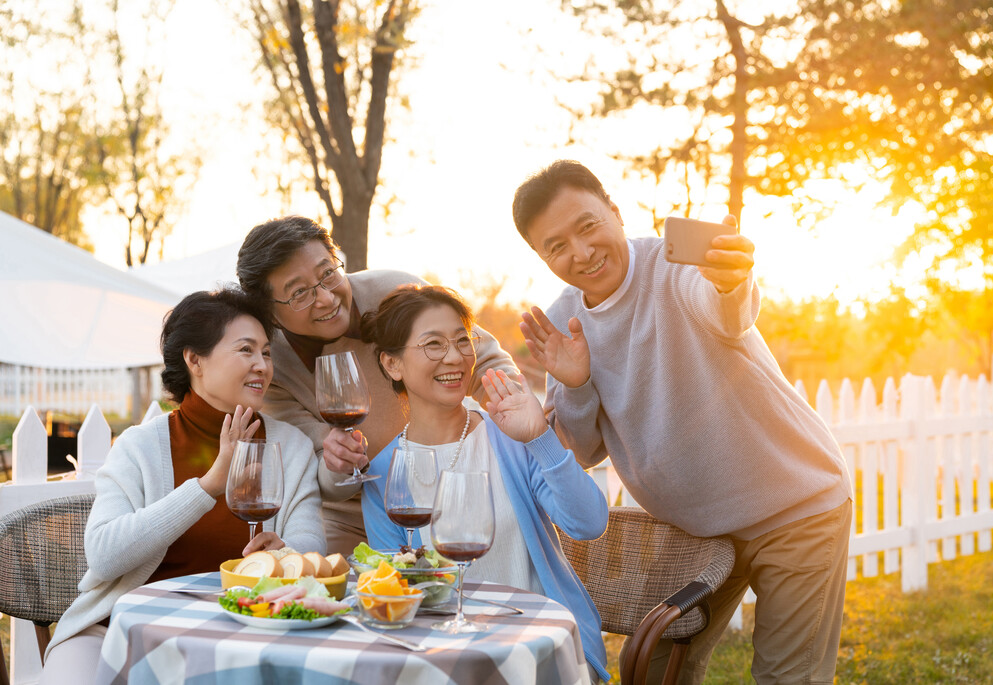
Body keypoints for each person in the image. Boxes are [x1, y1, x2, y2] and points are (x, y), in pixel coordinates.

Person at [512, 160, 854, 684]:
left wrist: (730, 283)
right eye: (556, 246)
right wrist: (576, 383)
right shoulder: (562, 321)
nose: (580, 253)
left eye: (587, 226)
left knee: (789, 678)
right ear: (541, 256)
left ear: (616, 213)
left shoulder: (676, 267)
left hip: (794, 506)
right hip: (694, 533)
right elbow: (579, 451)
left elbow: (726, 311)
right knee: (649, 673)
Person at [40, 289, 325, 684]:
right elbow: (104, 556)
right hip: (117, 631)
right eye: (246, 350)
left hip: (243, 636)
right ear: (194, 360)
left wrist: (287, 555)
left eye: (266, 353)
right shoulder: (139, 447)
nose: (262, 365)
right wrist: (207, 486)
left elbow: (312, 551)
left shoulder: (291, 448)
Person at [356, 284, 610, 684]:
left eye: (462, 341)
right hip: (445, 657)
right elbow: (396, 591)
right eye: (434, 345)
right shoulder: (383, 473)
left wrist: (541, 438)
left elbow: (589, 523)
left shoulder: (510, 437)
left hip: (542, 648)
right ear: (392, 364)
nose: (455, 357)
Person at [236, 216, 519, 555]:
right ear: (269, 312)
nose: (325, 299)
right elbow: (320, 471)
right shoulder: (272, 365)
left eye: (328, 273)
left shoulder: (393, 290)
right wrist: (337, 462)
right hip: (349, 513)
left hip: (436, 485)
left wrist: (515, 420)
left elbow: (484, 360)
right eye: (299, 293)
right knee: (337, 590)